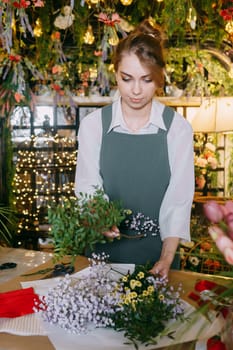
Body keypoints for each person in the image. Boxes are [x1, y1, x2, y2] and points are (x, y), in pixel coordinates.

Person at [75, 19, 195, 277]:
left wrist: (167, 257)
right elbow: (87, 186)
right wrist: (101, 218)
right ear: (115, 72)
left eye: (147, 79)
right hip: (102, 256)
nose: (136, 91)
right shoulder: (93, 126)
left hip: (158, 256)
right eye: (127, 79)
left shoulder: (178, 130)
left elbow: (179, 198)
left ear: (159, 77)